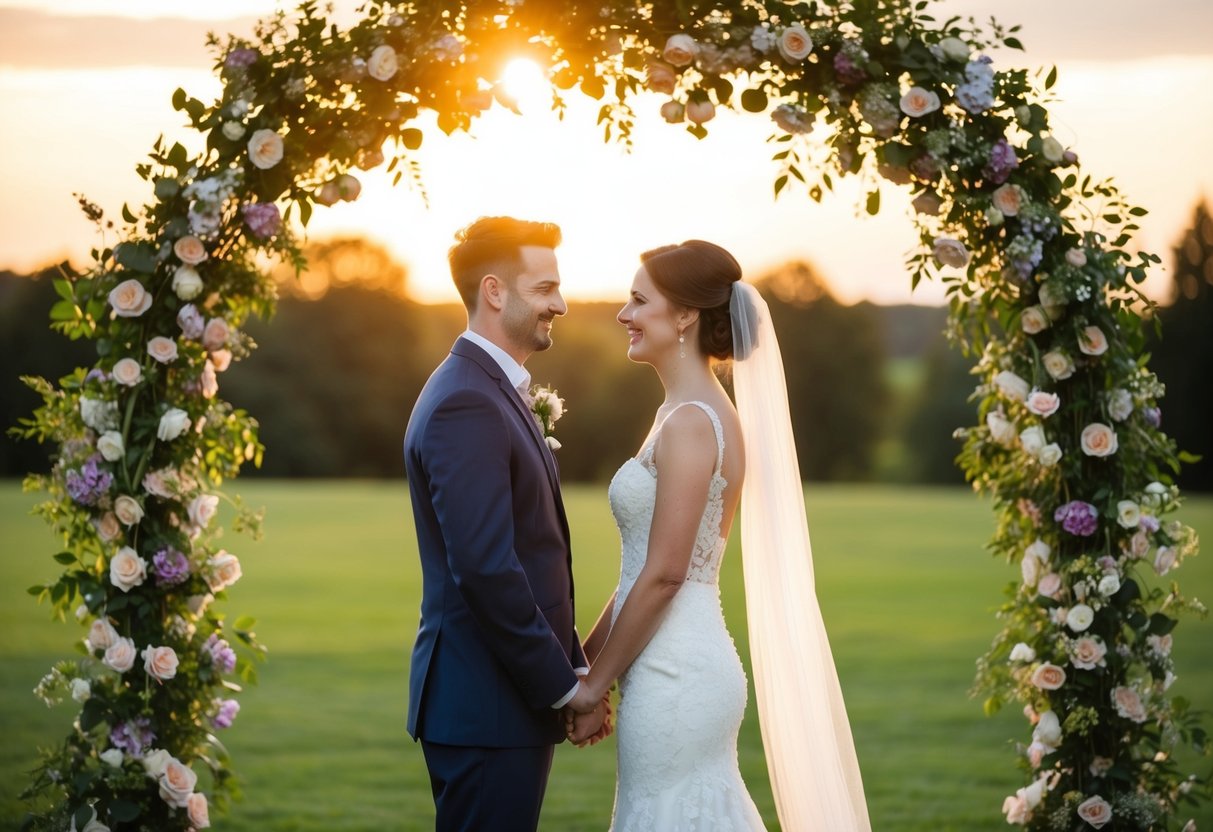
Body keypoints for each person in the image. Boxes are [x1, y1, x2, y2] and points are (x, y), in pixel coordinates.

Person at [565, 240, 871, 830]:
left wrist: (594, 684)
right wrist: (582, 666)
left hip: (677, 673)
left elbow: (665, 573)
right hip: (665, 662)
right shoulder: (682, 411)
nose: (623, 315)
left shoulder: (691, 423)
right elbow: (638, 573)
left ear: (683, 315)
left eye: (637, 300)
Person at [403, 216, 609, 832]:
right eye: (545, 288)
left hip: (495, 702)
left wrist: (574, 666)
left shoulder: (488, 389)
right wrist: (564, 688)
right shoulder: (469, 401)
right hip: (485, 706)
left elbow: (534, 554)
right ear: (495, 291)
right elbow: (488, 568)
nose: (561, 304)